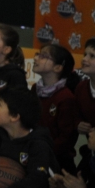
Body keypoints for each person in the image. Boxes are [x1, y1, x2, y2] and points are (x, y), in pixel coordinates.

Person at [33, 43, 79, 171]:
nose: (35, 58)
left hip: (57, 161)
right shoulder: (35, 89)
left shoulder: (65, 97)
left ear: (58, 67)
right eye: (37, 54)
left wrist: (42, 150)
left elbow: (67, 138)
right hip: (35, 153)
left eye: (43, 56)